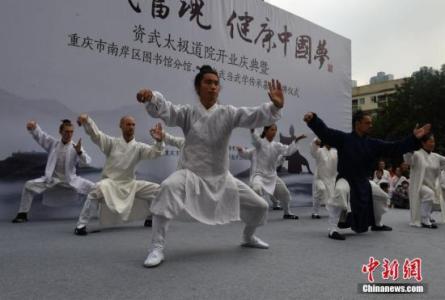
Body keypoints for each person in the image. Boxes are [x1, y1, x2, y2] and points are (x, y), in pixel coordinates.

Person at [137, 65, 283, 267]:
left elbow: (252, 115)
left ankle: (248, 237)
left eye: (216, 83)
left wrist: (274, 107)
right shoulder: (188, 113)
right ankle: (157, 247)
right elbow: (168, 111)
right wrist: (152, 97)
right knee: (168, 188)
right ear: (198, 87)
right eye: (208, 82)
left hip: (222, 178)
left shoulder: (228, 113)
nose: (213, 87)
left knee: (261, 206)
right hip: (191, 175)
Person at [303, 110, 430, 234]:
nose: (371, 125)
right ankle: (333, 228)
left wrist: (413, 138)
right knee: (340, 191)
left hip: (363, 182)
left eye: (371, 123)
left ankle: (377, 224)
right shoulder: (344, 139)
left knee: (382, 197)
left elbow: (394, 147)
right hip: (346, 179)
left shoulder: (373, 144)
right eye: (367, 123)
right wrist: (314, 120)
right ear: (357, 124)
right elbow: (326, 133)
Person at [74, 115, 164, 235]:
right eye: (128, 124)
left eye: (133, 125)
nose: (131, 127)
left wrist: (159, 141)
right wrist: (87, 121)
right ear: (121, 126)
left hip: (130, 184)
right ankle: (81, 225)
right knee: (95, 191)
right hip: (110, 183)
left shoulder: (139, 147)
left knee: (157, 190)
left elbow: (155, 153)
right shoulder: (111, 143)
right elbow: (96, 135)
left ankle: (150, 218)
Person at [12, 120, 94, 223]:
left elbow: (86, 161)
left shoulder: (76, 147)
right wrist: (34, 127)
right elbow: (41, 137)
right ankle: (22, 214)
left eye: (71, 132)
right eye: (66, 131)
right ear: (61, 132)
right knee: (29, 185)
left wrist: (79, 152)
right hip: (52, 180)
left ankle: (98, 213)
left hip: (70, 181)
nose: (69, 134)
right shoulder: (53, 144)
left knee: (95, 189)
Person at [237, 126, 306, 220]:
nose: (274, 132)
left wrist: (297, 140)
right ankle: (253, 213)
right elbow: (253, 144)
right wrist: (252, 130)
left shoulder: (277, 145)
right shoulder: (259, 144)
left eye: (275, 130)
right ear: (265, 131)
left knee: (285, 194)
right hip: (259, 175)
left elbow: (288, 151)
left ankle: (287, 213)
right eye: (272, 130)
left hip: (272, 176)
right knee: (256, 189)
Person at [404, 133, 445, 228]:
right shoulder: (417, 154)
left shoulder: (436, 157)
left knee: (436, 198)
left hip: (431, 184)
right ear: (423, 143)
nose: (433, 143)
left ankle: (427, 215)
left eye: (433, 141)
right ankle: (424, 219)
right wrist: (411, 141)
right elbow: (408, 160)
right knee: (429, 194)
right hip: (418, 185)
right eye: (430, 141)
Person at [310, 138, 337, 221]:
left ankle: (332, 212)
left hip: (331, 178)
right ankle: (315, 212)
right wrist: (315, 142)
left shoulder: (335, 152)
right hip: (319, 178)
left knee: (332, 195)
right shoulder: (319, 151)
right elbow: (313, 150)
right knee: (320, 190)